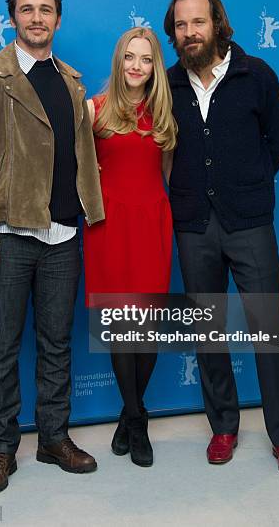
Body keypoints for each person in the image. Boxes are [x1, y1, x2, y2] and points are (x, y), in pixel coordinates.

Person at [0, 0, 104, 494]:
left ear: (58, 19)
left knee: (57, 343)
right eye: (26, 9)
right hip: (7, 233)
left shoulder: (71, 80)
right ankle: (0, 450)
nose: (36, 18)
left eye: (45, 9)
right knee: (1, 346)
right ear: (12, 16)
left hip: (63, 235)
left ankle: (54, 437)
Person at [163, 0, 279, 476]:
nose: (189, 32)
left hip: (249, 225)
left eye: (197, 22)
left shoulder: (255, 74)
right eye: (180, 25)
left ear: (217, 23)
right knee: (207, 332)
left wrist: (251, 182)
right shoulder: (168, 83)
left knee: (269, 332)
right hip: (193, 227)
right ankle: (223, 426)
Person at [83, 27, 177, 467]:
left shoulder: (164, 115)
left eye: (145, 59)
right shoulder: (94, 111)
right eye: (129, 58)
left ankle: (129, 414)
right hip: (109, 227)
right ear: (118, 62)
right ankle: (138, 420)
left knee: (149, 325)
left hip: (152, 222)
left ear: (155, 65)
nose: (136, 66)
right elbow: (75, 172)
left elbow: (168, 175)